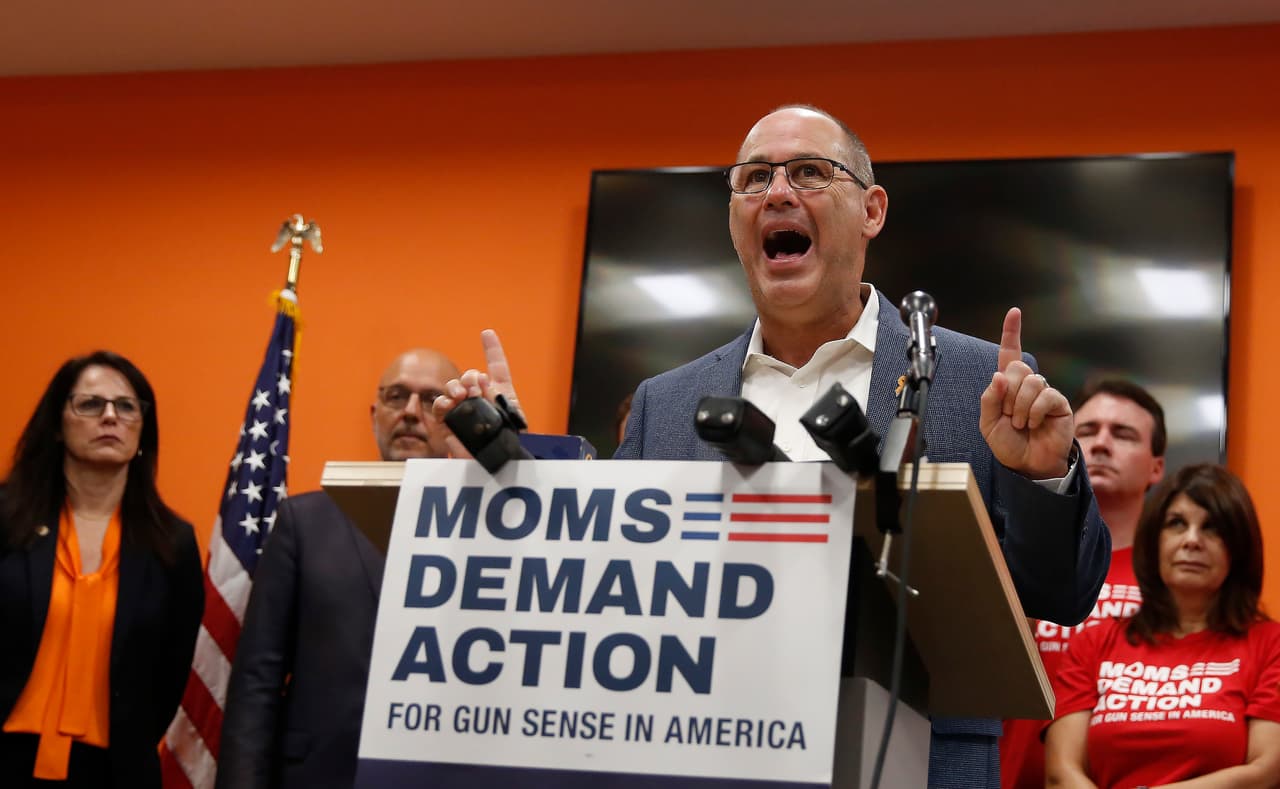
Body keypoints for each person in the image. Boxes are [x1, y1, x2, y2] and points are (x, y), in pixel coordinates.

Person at [612, 104, 1111, 787]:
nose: (778, 193)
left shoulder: (975, 382)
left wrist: (1045, 476)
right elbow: (613, 598)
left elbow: (1065, 593)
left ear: (872, 210)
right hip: (700, 760)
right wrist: (504, 484)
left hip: (917, 763)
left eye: (810, 172)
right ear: (733, 216)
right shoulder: (663, 405)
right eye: (754, 178)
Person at [216, 347, 466, 789]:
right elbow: (257, 680)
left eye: (430, 401)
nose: (410, 412)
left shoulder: (488, 531)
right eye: (396, 396)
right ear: (374, 413)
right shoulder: (304, 522)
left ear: (456, 420)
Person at [0, 351, 204, 788]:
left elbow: (172, 674)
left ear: (143, 430)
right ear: (57, 425)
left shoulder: (172, 543)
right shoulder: (4, 520)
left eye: (126, 407)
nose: (110, 416)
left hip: (116, 771)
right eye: (90, 404)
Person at [1044, 464, 1280, 787]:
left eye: (1212, 528)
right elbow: (1061, 774)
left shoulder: (1271, 643)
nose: (1192, 541)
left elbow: (1266, 771)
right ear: (1154, 540)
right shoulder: (1095, 641)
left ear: (1237, 549)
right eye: (1176, 524)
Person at [1000, 379, 1166, 788]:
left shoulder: (1175, 583)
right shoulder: (1014, 558)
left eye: (1123, 434)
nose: (1102, 444)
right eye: (1088, 431)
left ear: (1157, 467)